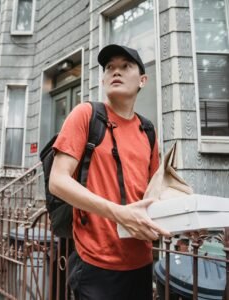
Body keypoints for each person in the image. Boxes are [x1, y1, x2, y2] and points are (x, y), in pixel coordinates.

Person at [49, 44, 170, 300]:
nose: (116, 71)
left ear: (143, 80)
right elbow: (58, 181)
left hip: (141, 262)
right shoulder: (86, 115)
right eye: (110, 67)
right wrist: (119, 214)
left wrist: (186, 219)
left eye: (126, 66)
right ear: (103, 79)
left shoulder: (148, 131)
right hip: (96, 264)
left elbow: (154, 193)